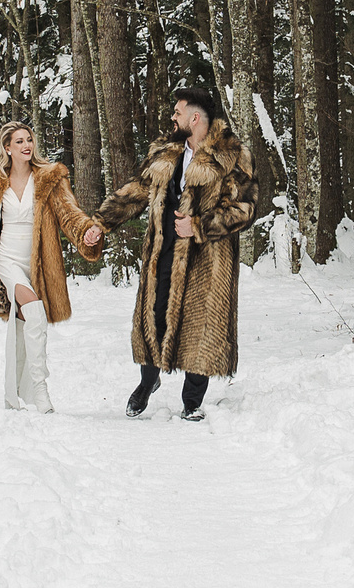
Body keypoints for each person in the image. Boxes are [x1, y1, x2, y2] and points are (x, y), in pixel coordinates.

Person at [85, 87, 258, 421]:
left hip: (208, 257)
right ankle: (147, 383)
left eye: (177, 113)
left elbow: (243, 208)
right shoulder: (166, 152)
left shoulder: (233, 154)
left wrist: (197, 226)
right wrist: (102, 222)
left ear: (195, 118)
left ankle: (193, 400)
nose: (172, 118)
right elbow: (138, 190)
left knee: (203, 325)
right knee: (155, 313)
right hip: (162, 248)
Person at [0, 121, 101, 412]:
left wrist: (87, 232)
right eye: (18, 142)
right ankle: (41, 390)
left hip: (39, 260)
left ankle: (13, 393)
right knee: (34, 311)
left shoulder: (48, 179)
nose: (26, 145)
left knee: (23, 325)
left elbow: (70, 214)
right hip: (7, 259)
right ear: (7, 148)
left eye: (28, 140)